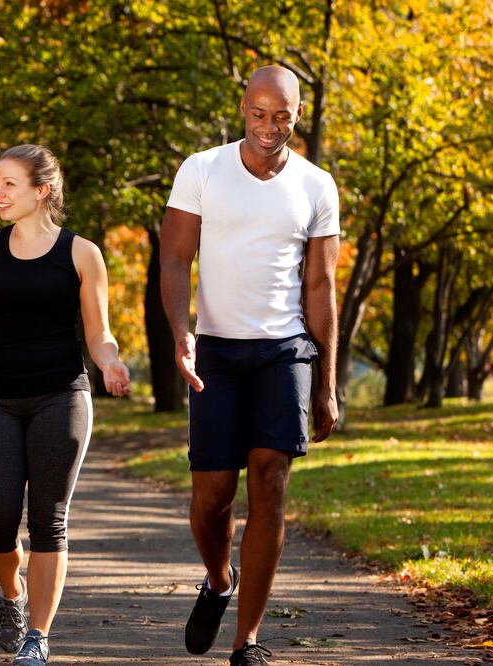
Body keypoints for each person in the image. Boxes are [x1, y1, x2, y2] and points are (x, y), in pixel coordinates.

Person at [160, 65, 340, 666]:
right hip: (216, 349)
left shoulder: (317, 186)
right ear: (243, 108)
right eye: (259, 114)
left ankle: (248, 642)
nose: (270, 126)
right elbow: (175, 261)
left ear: (296, 115)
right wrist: (182, 336)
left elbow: (320, 289)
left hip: (284, 351)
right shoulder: (202, 170)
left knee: (270, 482)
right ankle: (217, 580)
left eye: (282, 115)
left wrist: (327, 386)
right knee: (211, 499)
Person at [0, 144, 131, 666]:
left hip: (62, 395)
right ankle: (13, 594)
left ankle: (38, 638)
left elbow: (99, 332)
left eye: (9, 184)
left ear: (41, 191)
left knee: (49, 519)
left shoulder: (82, 253)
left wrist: (109, 362)